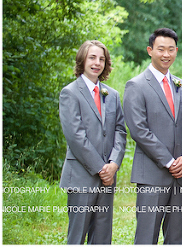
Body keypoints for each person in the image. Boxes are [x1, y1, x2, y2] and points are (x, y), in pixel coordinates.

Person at [123, 28, 182, 244]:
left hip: (181, 174)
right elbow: (139, 130)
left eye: (171, 50)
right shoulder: (136, 86)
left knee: (177, 236)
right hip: (152, 174)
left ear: (176, 51)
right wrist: (168, 161)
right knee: (147, 235)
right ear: (150, 50)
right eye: (161, 49)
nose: (166, 55)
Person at [59, 40, 127, 244]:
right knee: (77, 235)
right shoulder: (70, 93)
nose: (97, 63)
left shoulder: (112, 95)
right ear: (82, 59)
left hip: (108, 178)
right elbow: (75, 136)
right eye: (92, 57)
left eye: (102, 59)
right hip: (82, 177)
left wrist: (113, 165)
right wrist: (101, 169)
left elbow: (120, 131)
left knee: (102, 236)